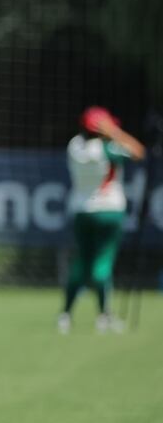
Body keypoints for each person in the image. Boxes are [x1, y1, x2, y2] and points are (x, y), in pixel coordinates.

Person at [57, 106, 145, 334]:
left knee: (81, 262)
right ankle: (104, 316)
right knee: (102, 263)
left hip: (82, 211)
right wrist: (115, 132)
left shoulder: (75, 146)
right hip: (109, 210)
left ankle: (65, 315)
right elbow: (138, 152)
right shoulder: (107, 148)